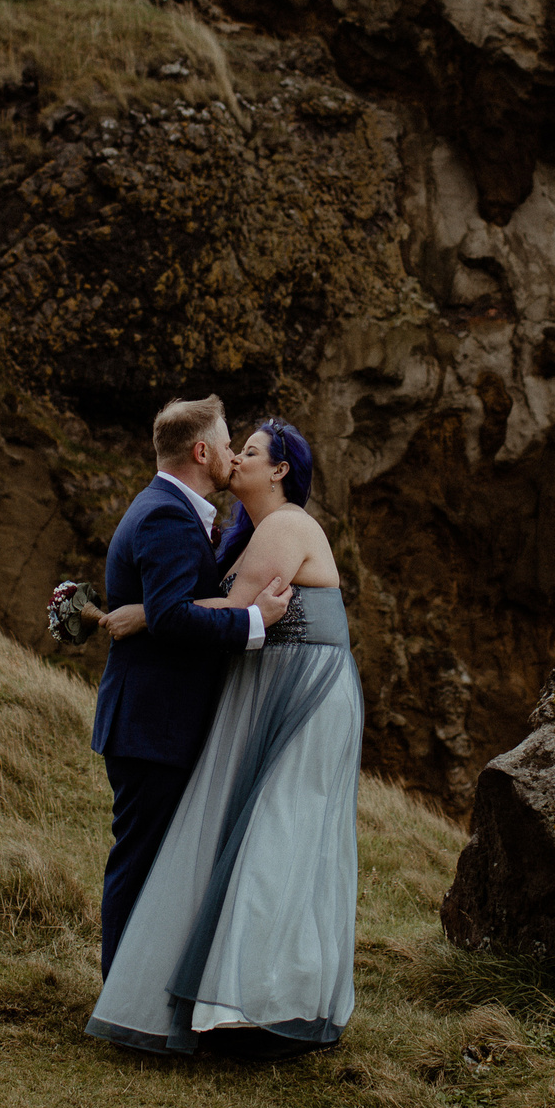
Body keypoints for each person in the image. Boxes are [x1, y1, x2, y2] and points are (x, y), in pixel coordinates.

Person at [86, 417, 363, 1060]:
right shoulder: (244, 532)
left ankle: (268, 1003)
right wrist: (160, 608)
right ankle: (223, 997)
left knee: (279, 841)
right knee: (251, 842)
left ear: (281, 471)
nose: (238, 457)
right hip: (267, 691)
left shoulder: (286, 525)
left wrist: (148, 613)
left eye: (253, 451)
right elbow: (219, 607)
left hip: (304, 699)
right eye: (235, 446)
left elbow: (217, 610)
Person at [91, 396, 294, 976]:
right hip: (153, 726)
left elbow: (162, 609)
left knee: (151, 863)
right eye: (229, 443)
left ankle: (136, 993)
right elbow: (176, 616)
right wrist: (258, 621)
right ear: (202, 451)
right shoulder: (165, 515)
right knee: (140, 865)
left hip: (155, 723)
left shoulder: (168, 509)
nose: (233, 454)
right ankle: (123, 999)